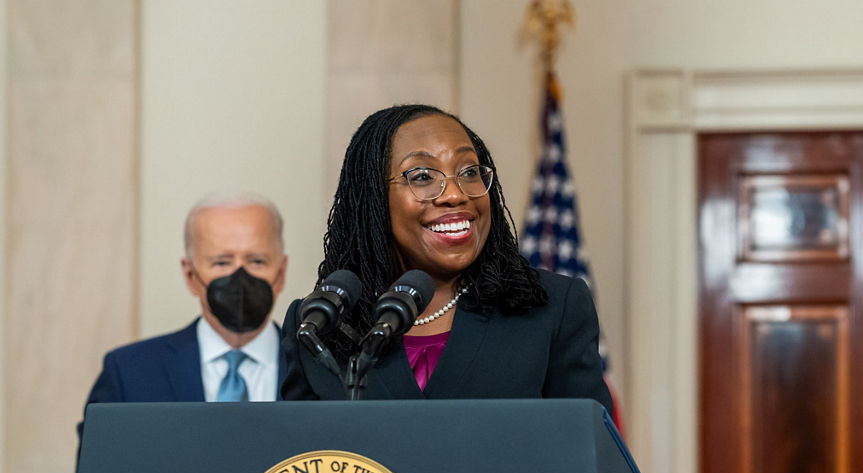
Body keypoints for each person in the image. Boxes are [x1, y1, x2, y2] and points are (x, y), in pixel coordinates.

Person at [280, 104, 612, 414]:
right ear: (373, 198)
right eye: (423, 176)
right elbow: (296, 465)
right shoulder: (319, 324)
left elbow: (591, 458)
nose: (455, 194)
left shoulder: (552, 309)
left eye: (469, 172)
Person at [82, 191, 289, 408]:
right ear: (190, 275)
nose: (239, 276)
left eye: (256, 261)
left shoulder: (318, 370)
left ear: (281, 272)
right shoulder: (129, 372)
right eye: (221, 263)